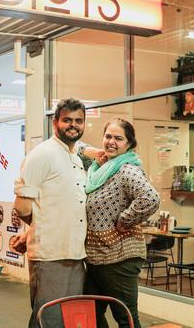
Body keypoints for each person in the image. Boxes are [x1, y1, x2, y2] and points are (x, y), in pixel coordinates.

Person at [14, 98, 96, 328]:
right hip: (50, 253)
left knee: (67, 318)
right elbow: (21, 206)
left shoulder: (75, 157)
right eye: (67, 120)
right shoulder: (42, 154)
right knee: (48, 318)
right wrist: (39, 225)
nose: (73, 125)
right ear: (55, 123)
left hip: (75, 252)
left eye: (78, 121)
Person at [84, 118, 160, 328]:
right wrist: (94, 152)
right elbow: (77, 148)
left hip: (119, 257)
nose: (111, 142)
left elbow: (150, 198)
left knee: (125, 318)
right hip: (97, 257)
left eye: (118, 138)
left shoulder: (126, 169)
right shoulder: (99, 170)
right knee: (90, 316)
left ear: (129, 144)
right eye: (108, 136)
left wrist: (124, 220)